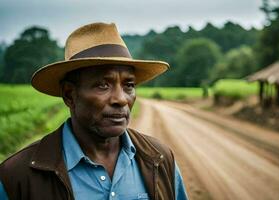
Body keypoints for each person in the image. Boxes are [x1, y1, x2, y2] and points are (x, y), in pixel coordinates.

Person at [0, 22, 188, 200]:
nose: (121, 99)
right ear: (69, 95)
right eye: (103, 85)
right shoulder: (17, 176)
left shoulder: (160, 160)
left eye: (129, 85)